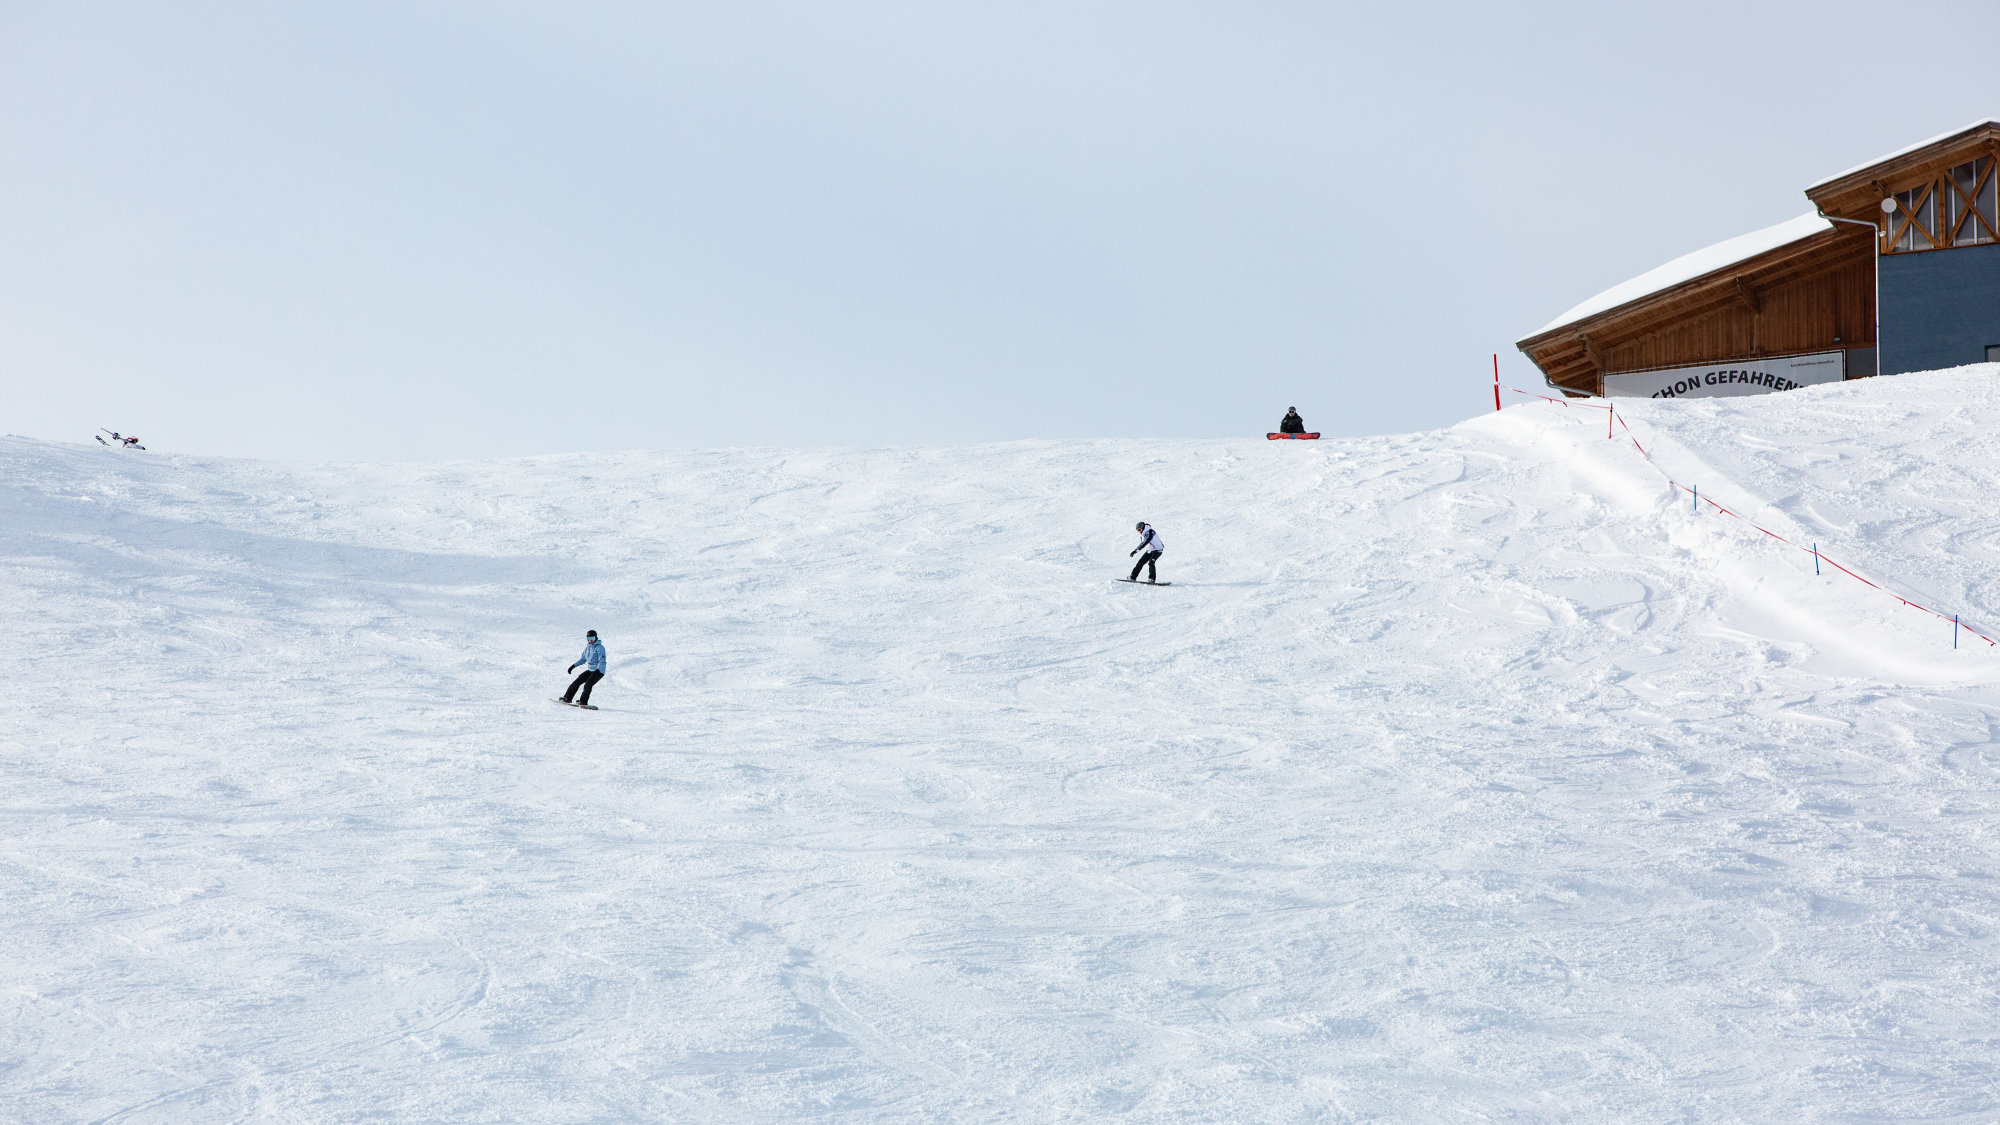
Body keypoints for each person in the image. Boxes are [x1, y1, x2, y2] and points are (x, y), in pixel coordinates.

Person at [563, 629, 607, 706]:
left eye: (592, 638)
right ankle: (567, 698)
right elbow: (582, 660)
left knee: (588, 684)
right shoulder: (587, 648)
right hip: (590, 670)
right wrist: (573, 666)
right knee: (577, 681)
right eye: (589, 638)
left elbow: (602, 661)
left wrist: (598, 670)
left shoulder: (600, 648)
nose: (591, 640)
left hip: (599, 671)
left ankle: (583, 701)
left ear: (596, 638)